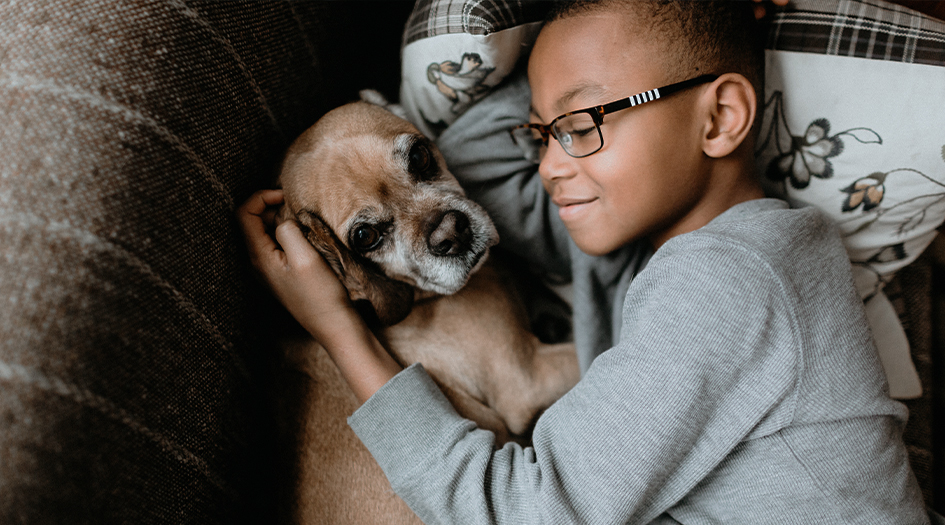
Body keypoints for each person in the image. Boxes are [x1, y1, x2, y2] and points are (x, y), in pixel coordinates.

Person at [238, 1, 929, 522]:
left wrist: (336, 328)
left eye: (578, 126)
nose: (546, 165)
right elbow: (486, 143)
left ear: (718, 120)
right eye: (539, 134)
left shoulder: (726, 281)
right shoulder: (721, 256)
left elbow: (524, 511)